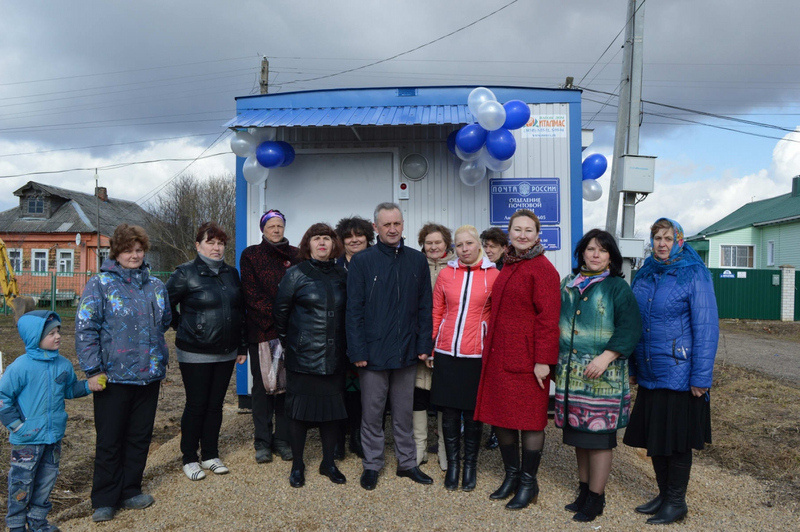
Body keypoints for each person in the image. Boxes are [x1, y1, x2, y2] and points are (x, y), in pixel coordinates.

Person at [623, 218, 719, 525]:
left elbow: (706, 328)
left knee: (676, 442)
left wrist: (702, 378)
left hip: (681, 373)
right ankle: (664, 495)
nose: (662, 244)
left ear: (678, 240)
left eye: (667, 238)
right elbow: (635, 324)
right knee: (656, 439)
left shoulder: (694, 274)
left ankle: (677, 502)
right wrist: (634, 366)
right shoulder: (645, 273)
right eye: (657, 238)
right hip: (651, 372)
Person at [76, 223, 171, 523]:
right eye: (128, 250)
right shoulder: (100, 285)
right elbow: (85, 328)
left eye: (139, 250)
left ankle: (130, 490)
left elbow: (164, 321)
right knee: (109, 439)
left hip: (148, 375)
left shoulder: (156, 285)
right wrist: (92, 370)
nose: (134, 255)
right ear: (117, 252)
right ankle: (104, 498)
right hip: (112, 377)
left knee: (139, 436)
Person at [474, 209, 560, 510]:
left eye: (528, 230)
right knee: (502, 417)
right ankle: (511, 475)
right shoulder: (509, 263)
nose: (522, 235)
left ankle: (528, 482)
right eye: (517, 229)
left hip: (528, 360)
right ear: (509, 233)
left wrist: (543, 360)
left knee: (531, 420)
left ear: (537, 235)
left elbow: (549, 320)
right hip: (500, 355)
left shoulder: (543, 269)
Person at [555, 229, 642, 522]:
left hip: (603, 376)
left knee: (599, 437)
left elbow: (630, 327)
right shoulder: (568, 284)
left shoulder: (617, 287)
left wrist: (606, 356)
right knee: (580, 435)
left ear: (610, 257)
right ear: (582, 252)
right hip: (572, 374)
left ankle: (596, 498)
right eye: (591, 249)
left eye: (602, 251)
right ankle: (583, 490)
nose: (595, 255)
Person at [346, 202, 434, 491]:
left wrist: (424, 345)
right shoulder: (362, 261)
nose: (393, 229)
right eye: (387, 224)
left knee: (403, 413)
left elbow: (425, 307)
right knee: (371, 414)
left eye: (397, 223)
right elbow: (354, 311)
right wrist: (357, 351)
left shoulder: (416, 260)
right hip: (372, 354)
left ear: (403, 224)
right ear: (376, 228)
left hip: (407, 351)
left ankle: (407, 463)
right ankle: (372, 464)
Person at [0, 311, 98, 532]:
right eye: (51, 333)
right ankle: (15, 525)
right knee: (21, 483)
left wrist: (88, 386)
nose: (57, 337)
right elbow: (3, 397)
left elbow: (69, 390)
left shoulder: (63, 365)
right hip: (27, 439)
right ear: (35, 337)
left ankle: (38, 521)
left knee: (46, 482)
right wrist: (16, 425)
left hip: (53, 436)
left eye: (58, 331)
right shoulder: (20, 367)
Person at [165, 222, 248, 481]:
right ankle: (189, 457)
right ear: (198, 245)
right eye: (210, 242)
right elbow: (166, 306)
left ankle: (211, 454)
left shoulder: (231, 273)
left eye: (220, 243)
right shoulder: (184, 273)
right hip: (195, 352)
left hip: (226, 350)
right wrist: (187, 328)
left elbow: (239, 311)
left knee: (215, 405)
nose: (216, 247)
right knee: (197, 404)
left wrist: (241, 345)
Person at [274, 223, 349, 488]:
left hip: (334, 358)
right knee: (299, 414)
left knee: (331, 414)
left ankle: (328, 463)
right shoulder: (295, 274)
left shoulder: (342, 274)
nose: (322, 243)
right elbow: (280, 313)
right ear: (308, 244)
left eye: (327, 238)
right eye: (316, 238)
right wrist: (295, 342)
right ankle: (297, 465)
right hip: (303, 358)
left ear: (333, 245)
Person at [428, 225, 499, 492]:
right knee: (448, 412)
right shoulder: (447, 274)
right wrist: (433, 346)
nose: (464, 249)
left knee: (472, 413)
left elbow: (495, 316)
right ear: (454, 248)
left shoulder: (493, 275)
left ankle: (470, 466)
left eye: (469, 243)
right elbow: (438, 310)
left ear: (479, 245)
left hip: (476, 353)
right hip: (447, 352)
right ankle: (453, 466)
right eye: (459, 245)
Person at [240, 209, 300, 464]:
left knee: (287, 387)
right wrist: (278, 317)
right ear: (263, 229)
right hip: (263, 331)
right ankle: (262, 441)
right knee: (263, 389)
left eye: (279, 226)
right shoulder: (251, 254)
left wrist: (290, 321)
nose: (276, 230)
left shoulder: (296, 255)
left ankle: (283, 439)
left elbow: (300, 290)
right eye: (271, 226)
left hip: (291, 333)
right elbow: (251, 294)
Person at [333, 216, 375, 459]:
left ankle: (358, 437)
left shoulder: (376, 262)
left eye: (359, 235)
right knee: (340, 389)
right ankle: (338, 438)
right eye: (348, 236)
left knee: (363, 391)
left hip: (368, 337)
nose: (354, 240)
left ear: (367, 237)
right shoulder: (335, 266)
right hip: (340, 338)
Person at [417, 222, 455, 470]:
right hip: (420, 338)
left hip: (446, 341)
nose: (433, 247)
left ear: (446, 244)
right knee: (418, 392)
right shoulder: (414, 264)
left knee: (444, 395)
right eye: (428, 242)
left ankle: (444, 449)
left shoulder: (455, 267)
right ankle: (419, 448)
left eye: (437, 242)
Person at [479, 226, 509, 451]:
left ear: (504, 248)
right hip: (481, 333)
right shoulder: (480, 267)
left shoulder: (508, 269)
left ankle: (497, 432)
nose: (488, 250)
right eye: (486, 246)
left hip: (502, 335)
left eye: (493, 246)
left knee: (499, 388)